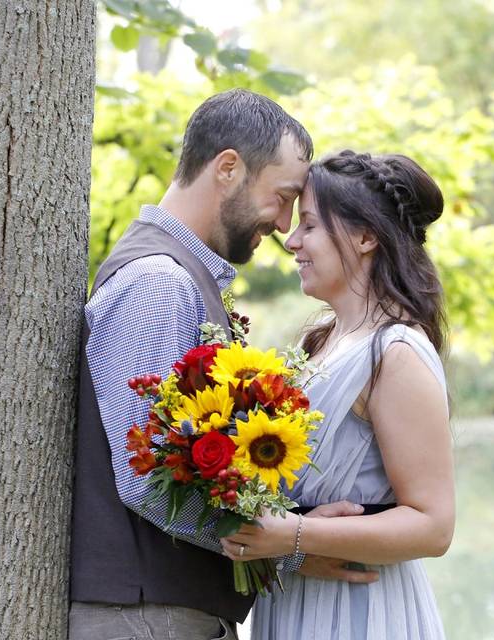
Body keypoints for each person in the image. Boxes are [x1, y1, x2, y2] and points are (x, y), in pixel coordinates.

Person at [68, 91, 377, 640]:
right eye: (283, 197)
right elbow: (146, 481)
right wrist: (288, 544)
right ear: (228, 168)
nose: (285, 225)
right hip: (143, 617)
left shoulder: (181, 277)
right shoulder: (158, 283)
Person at [221, 150, 455, 639]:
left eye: (309, 224)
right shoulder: (319, 345)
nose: (292, 241)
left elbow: (433, 526)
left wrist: (295, 535)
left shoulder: (396, 352)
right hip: (296, 601)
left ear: (365, 236)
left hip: (359, 612)